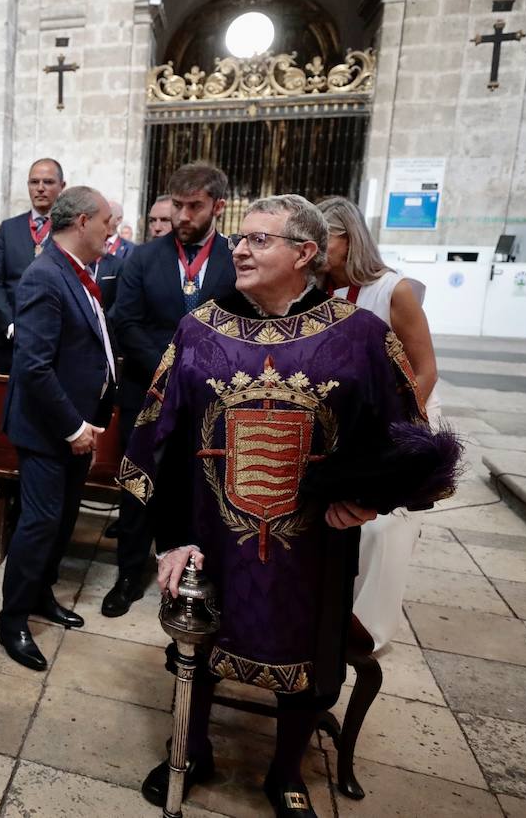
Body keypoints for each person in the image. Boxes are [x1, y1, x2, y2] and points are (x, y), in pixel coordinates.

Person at [123, 195, 457, 818]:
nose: (240, 250)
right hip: (211, 537)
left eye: (259, 240)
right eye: (238, 239)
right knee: (196, 643)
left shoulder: (360, 336)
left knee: (310, 660)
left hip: (315, 544)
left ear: (306, 253)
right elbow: (157, 438)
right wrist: (170, 538)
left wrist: (368, 501)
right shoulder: (200, 329)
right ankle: (191, 750)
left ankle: (286, 774)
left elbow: (408, 439)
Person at [104, 162, 237, 618]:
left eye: (194, 206)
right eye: (177, 205)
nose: (183, 215)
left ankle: (192, 572)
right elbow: (125, 320)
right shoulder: (143, 257)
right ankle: (128, 573)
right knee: (139, 486)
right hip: (148, 392)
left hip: (211, 399)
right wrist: (172, 367)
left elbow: (242, 323)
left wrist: (200, 372)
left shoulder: (234, 258)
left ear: (218, 206)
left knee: (198, 486)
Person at [0, 187, 118, 671]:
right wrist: (72, 427)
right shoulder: (45, 276)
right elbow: (34, 366)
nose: (112, 228)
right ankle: (11, 620)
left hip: (77, 423)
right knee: (39, 523)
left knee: (62, 519)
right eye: (107, 220)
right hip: (50, 429)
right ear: (83, 221)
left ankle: (41, 593)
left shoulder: (78, 273)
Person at [318, 195, 440, 651]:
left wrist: (397, 434)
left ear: (349, 239)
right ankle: (333, 611)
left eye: (322, 238)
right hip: (346, 424)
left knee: (383, 528)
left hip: (400, 422)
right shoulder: (317, 294)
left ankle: (369, 629)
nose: (313, 249)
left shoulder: (394, 290)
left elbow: (424, 369)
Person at [0, 158, 66, 373]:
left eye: (48, 182)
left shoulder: (68, 230)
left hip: (54, 340)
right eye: (34, 182)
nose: (40, 188)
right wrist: (9, 323)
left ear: (62, 186)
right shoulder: (9, 228)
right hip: (10, 338)